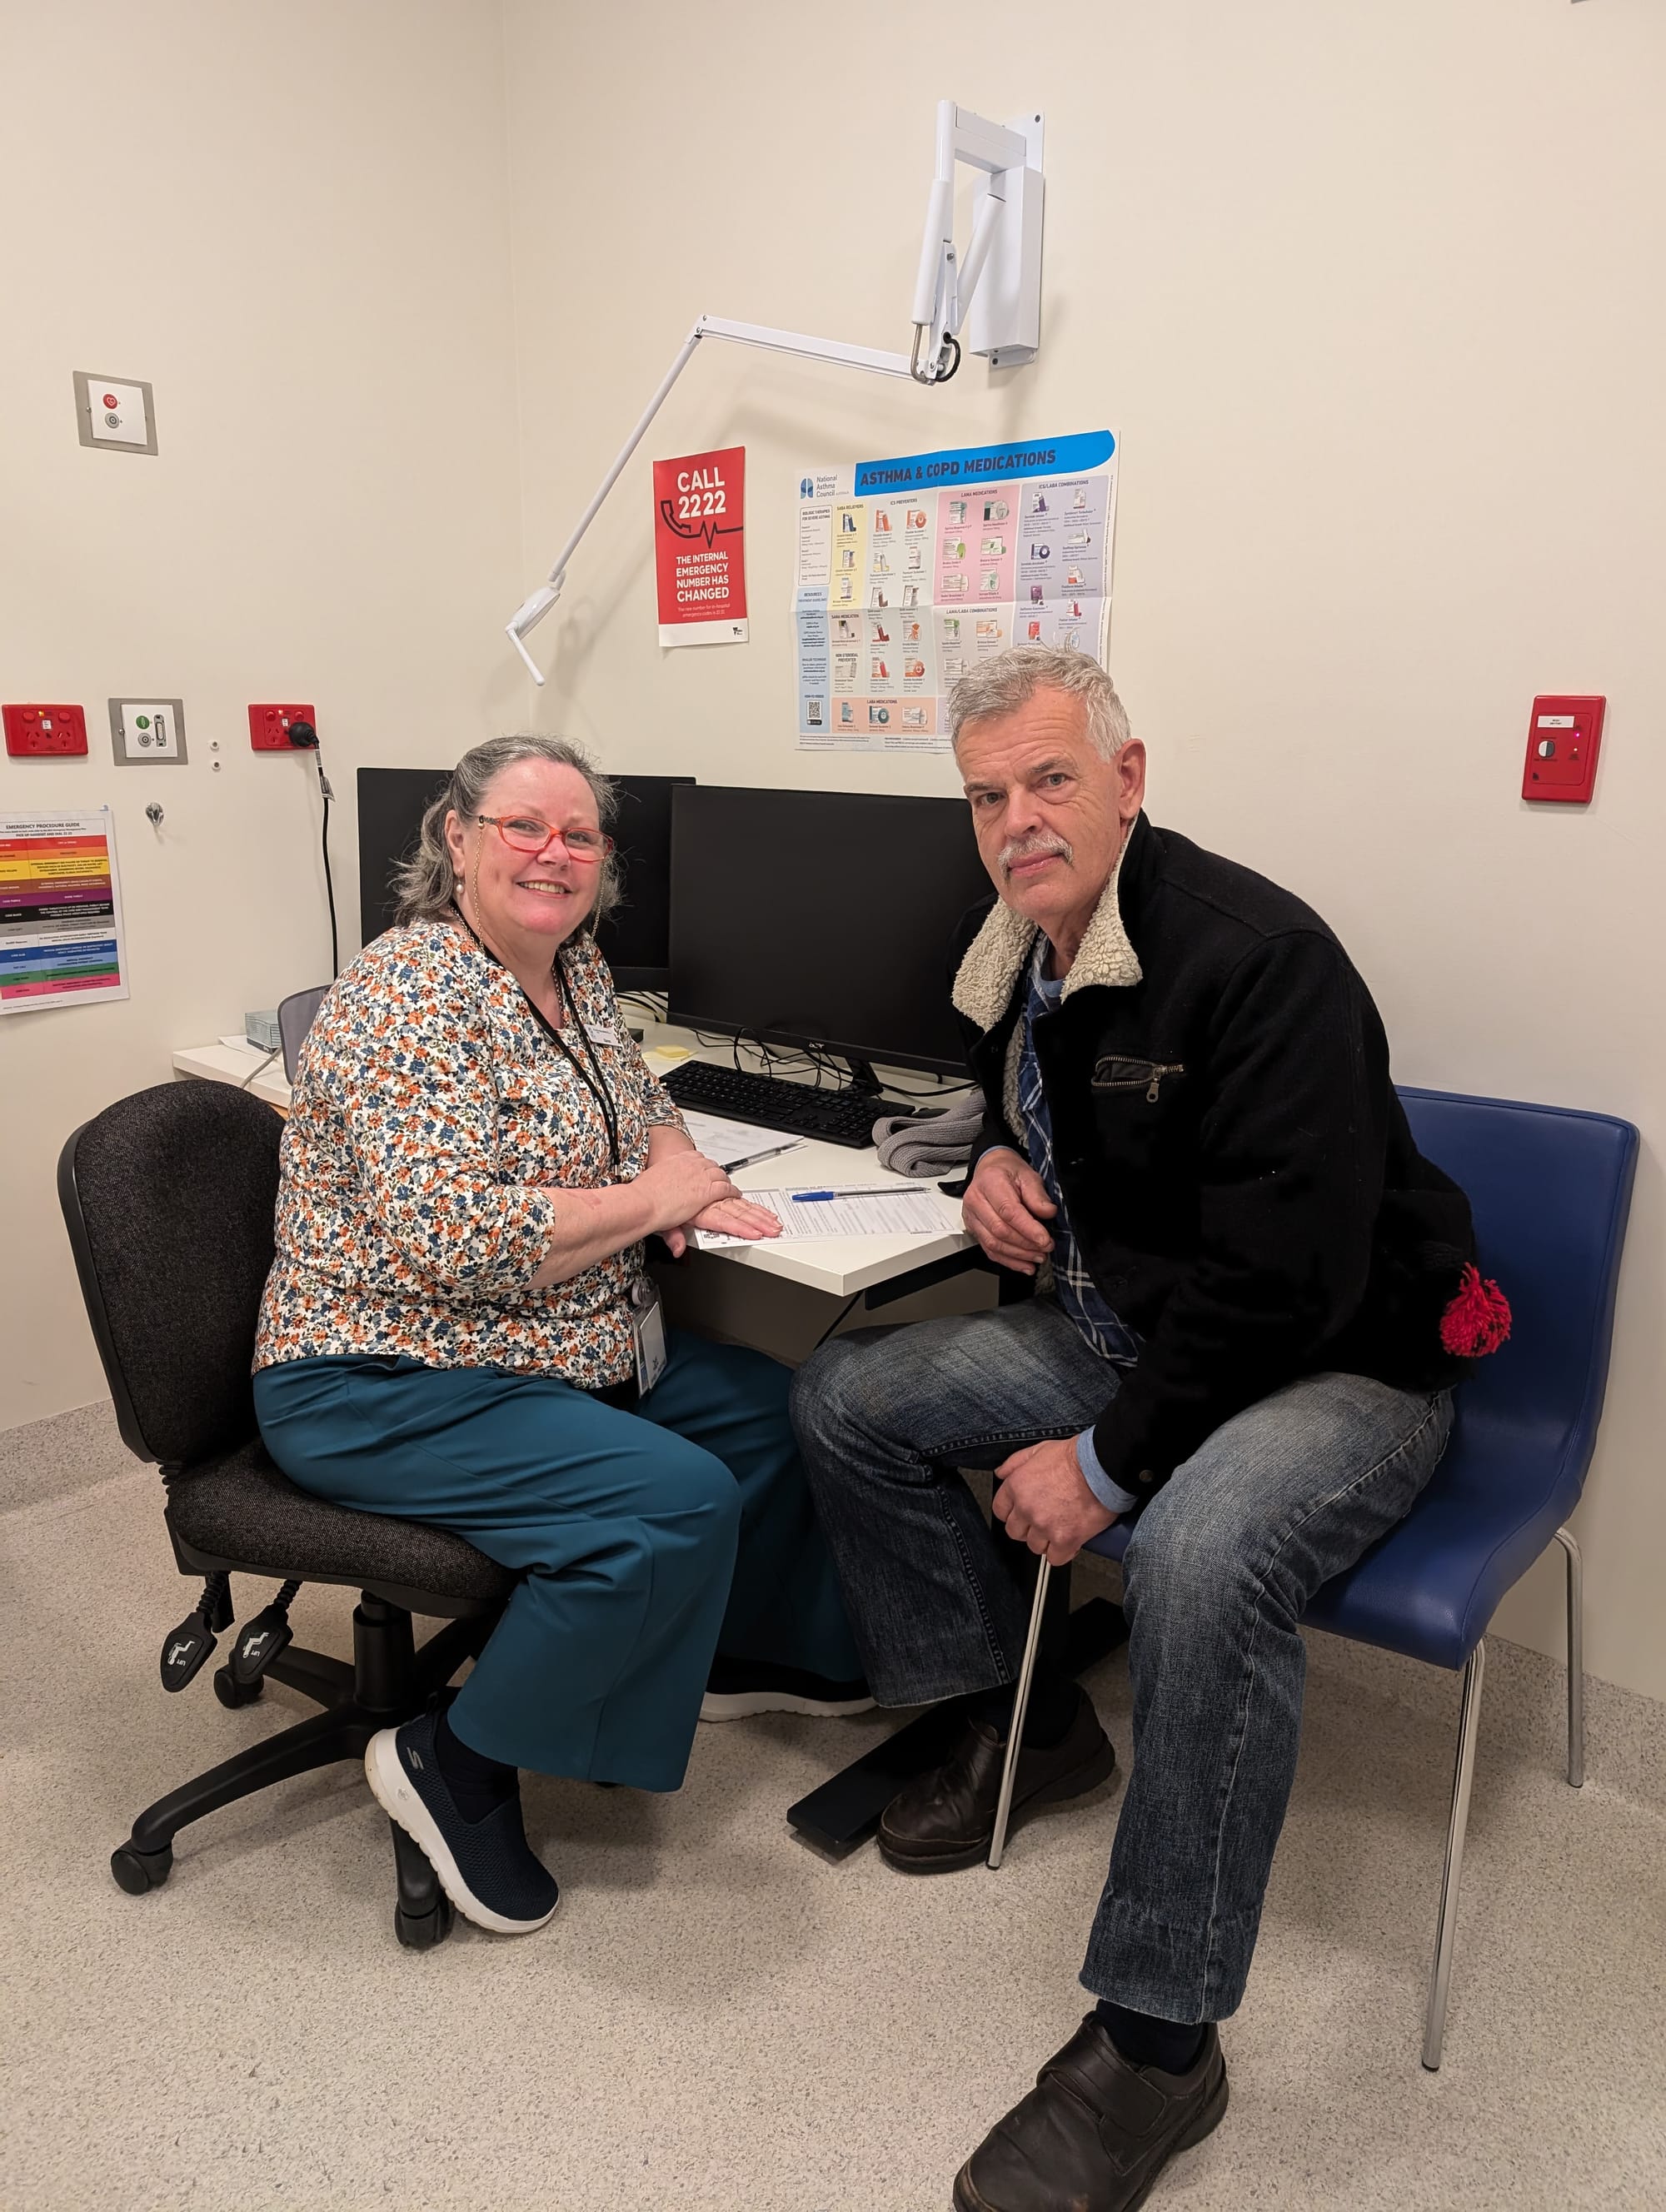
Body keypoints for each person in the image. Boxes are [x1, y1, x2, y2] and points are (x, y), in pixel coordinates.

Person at [790, 647, 1505, 2212]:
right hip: (1135, 1332)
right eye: (987, 795)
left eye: (1050, 780)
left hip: (1343, 1367)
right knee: (847, 1395)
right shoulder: (1019, 956)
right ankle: (1028, 1719)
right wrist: (988, 1178)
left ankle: (1163, 2044)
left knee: (1191, 1548)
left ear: (1128, 778)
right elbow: (1056, 1162)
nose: (1016, 820)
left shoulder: (1260, 960)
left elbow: (1287, 1281)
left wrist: (1108, 1467)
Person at [252, 733, 866, 1938]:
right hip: (380, 1372)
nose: (555, 852)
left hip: (552, 1345)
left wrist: (682, 1172)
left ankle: (728, 1658)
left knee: (776, 1408)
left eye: (579, 834)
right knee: (675, 1498)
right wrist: (654, 1206)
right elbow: (458, 1239)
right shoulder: (410, 992)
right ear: (457, 839)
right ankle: (458, 1758)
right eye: (524, 826)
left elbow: (650, 1108)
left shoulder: (571, 968)